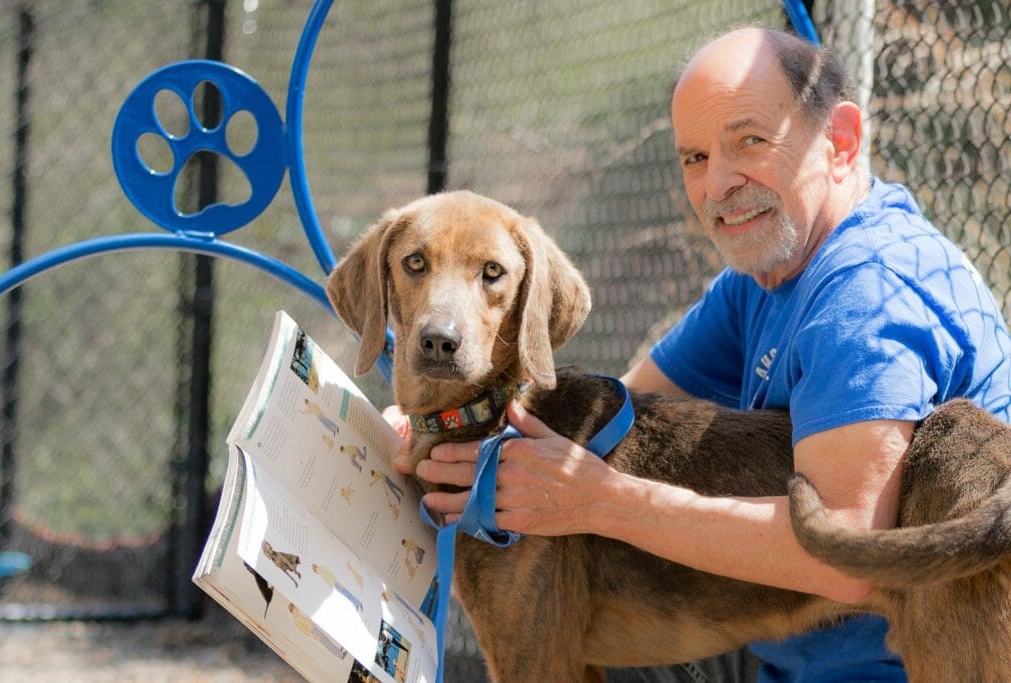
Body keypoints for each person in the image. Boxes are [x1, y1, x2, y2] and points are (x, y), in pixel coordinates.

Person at [390, 27, 1011, 682]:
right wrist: (442, 423)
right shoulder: (765, 274)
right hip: (785, 649)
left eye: (750, 140)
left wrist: (600, 500)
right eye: (694, 157)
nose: (718, 183)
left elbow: (842, 551)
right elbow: (606, 425)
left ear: (842, 140)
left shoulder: (868, 295)